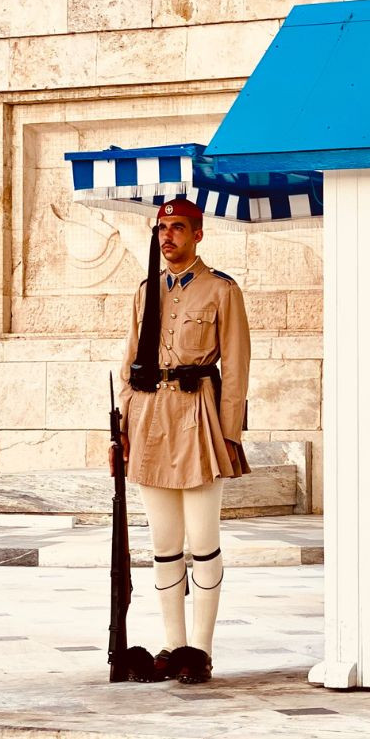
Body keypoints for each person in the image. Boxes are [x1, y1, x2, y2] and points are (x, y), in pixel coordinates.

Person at [111, 196, 251, 684]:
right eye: (162, 228)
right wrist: (122, 429)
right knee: (164, 542)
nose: (167, 236)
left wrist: (229, 434)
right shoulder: (146, 291)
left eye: (177, 228)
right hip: (151, 418)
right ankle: (172, 644)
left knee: (203, 540)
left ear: (198, 234)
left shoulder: (221, 290)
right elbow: (129, 365)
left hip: (197, 416)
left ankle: (201, 649)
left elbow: (235, 369)